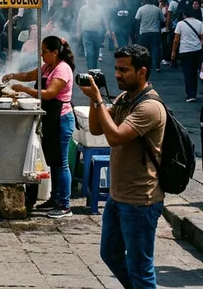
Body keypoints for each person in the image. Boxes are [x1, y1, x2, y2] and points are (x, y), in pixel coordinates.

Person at [79, 46, 166, 289]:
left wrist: (98, 99)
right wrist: (91, 97)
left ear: (142, 72)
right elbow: (96, 129)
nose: (117, 74)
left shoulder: (149, 107)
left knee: (141, 269)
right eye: (116, 69)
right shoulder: (125, 99)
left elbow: (115, 136)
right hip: (118, 197)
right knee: (110, 254)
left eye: (124, 70)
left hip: (140, 201)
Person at [5, 36, 76, 219]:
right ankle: (54, 198)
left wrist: (25, 90)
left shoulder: (62, 69)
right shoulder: (47, 66)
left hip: (61, 118)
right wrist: (13, 76)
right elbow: (30, 76)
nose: (41, 54)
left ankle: (65, 205)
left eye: (44, 51)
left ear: (55, 52)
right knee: (53, 160)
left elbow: (50, 93)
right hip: (49, 118)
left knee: (61, 163)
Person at [171, 4, 203, 102]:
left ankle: (190, 94)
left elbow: (176, 39)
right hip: (197, 50)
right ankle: (194, 91)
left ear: (184, 15)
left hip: (185, 51)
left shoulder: (180, 24)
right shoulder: (200, 23)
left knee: (188, 73)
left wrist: (173, 51)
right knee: (195, 71)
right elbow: (202, 37)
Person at [76, 0, 108, 72]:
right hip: (87, 33)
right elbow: (79, 21)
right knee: (89, 53)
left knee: (96, 53)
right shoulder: (83, 8)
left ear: (96, 0)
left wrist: (107, 29)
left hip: (98, 33)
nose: (91, 0)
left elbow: (104, 19)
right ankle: (91, 71)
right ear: (87, 0)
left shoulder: (100, 8)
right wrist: (78, 32)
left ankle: (94, 69)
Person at [136, 0, 164, 72]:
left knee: (144, 49)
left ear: (145, 0)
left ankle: (146, 65)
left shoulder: (141, 9)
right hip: (155, 31)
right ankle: (158, 66)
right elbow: (162, 19)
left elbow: (137, 19)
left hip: (144, 32)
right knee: (156, 48)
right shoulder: (157, 9)